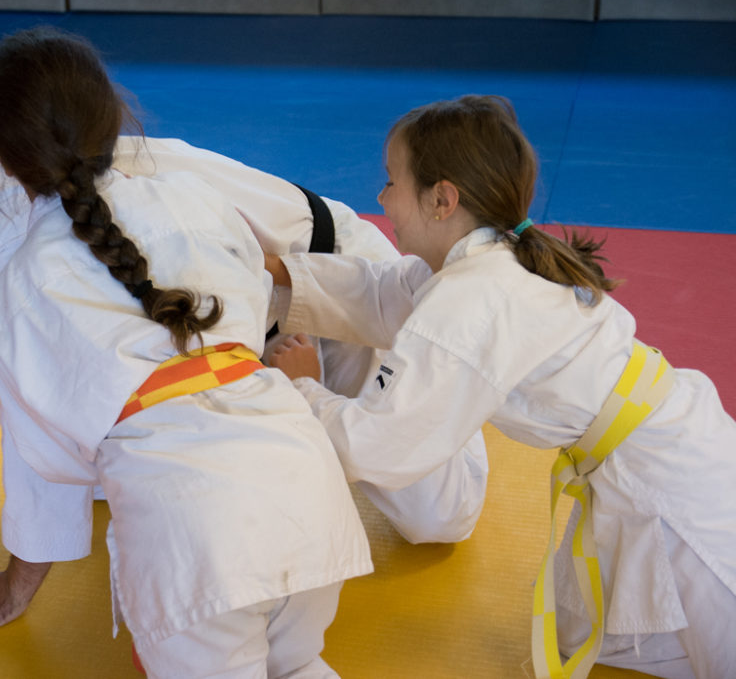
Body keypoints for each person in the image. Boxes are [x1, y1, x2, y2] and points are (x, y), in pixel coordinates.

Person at [0, 28, 375, 679]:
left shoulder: (21, 282)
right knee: (298, 662)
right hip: (308, 487)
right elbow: (245, 303)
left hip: (204, 528)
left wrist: (16, 585)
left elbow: (43, 470)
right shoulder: (180, 199)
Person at [266, 94, 736, 679]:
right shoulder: (488, 261)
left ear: (443, 199)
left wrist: (307, 389)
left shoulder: (474, 296)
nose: (381, 198)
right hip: (648, 452)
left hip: (675, 483)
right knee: (593, 634)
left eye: (391, 182)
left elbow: (380, 445)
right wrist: (283, 271)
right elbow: (388, 293)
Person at [0, 134, 489, 545]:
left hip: (332, 279)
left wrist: (298, 394)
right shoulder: (10, 213)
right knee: (134, 476)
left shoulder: (77, 204)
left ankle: (436, 396)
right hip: (240, 327)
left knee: (441, 517)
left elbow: (27, 403)